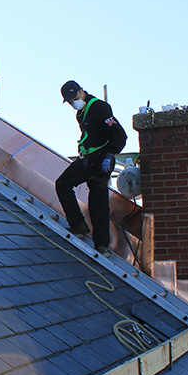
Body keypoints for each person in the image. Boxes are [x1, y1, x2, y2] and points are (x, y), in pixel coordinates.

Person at [56, 80, 127, 253]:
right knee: (66, 185)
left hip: (100, 159)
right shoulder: (81, 113)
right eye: (70, 101)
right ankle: (81, 228)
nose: (73, 103)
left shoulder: (99, 108)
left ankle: (99, 243)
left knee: (97, 201)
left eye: (74, 98)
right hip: (90, 158)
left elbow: (119, 134)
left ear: (82, 91)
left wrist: (110, 154)